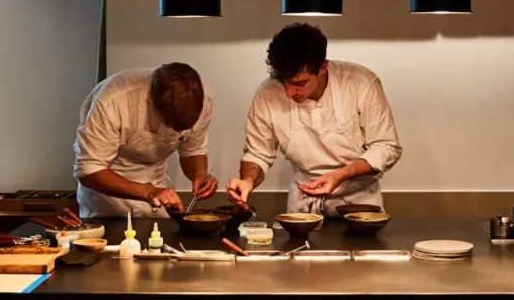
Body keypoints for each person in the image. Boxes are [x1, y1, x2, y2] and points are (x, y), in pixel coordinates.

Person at [226, 23, 402, 217]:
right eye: (284, 82)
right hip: (303, 201)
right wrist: (248, 181)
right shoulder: (268, 94)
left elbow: (386, 147)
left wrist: (341, 175)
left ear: (323, 68)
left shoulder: (361, 83)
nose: (289, 92)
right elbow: (257, 153)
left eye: (299, 83)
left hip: (360, 201)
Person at [72, 63, 218, 218]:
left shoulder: (203, 100)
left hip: (159, 191)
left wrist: (199, 174)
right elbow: (89, 170)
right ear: (152, 102)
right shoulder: (113, 100)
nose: (177, 132)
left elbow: (192, 150)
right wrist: (148, 192)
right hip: (108, 200)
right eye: (171, 124)